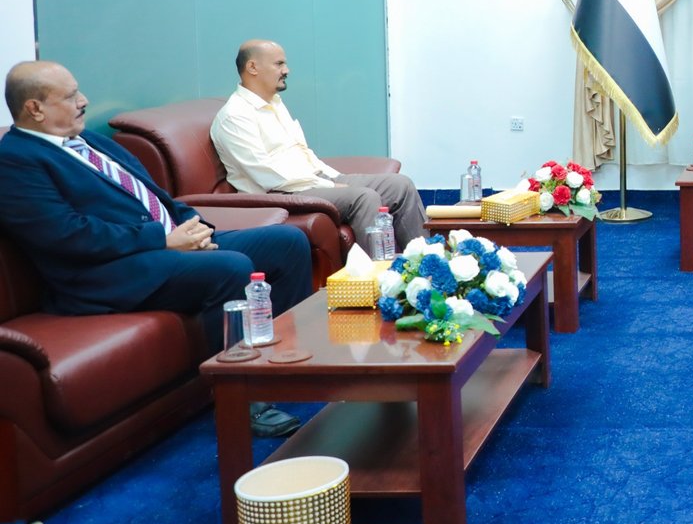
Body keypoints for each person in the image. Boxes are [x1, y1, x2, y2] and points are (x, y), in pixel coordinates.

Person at [0, 61, 311, 438]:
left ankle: (285, 367)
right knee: (230, 268)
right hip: (104, 274)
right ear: (34, 108)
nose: (83, 101)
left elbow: (154, 196)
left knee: (287, 242)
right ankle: (243, 402)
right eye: (70, 96)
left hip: (166, 246)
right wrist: (161, 240)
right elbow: (65, 235)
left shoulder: (89, 141)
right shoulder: (15, 161)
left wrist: (194, 227)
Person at [211, 40, 424, 249]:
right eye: (279, 64)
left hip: (314, 179)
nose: (286, 70)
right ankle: (376, 272)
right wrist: (329, 186)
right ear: (253, 67)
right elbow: (265, 174)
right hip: (281, 193)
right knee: (364, 198)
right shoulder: (235, 116)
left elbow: (300, 152)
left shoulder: (274, 103)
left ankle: (427, 262)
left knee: (400, 185)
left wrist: (332, 178)